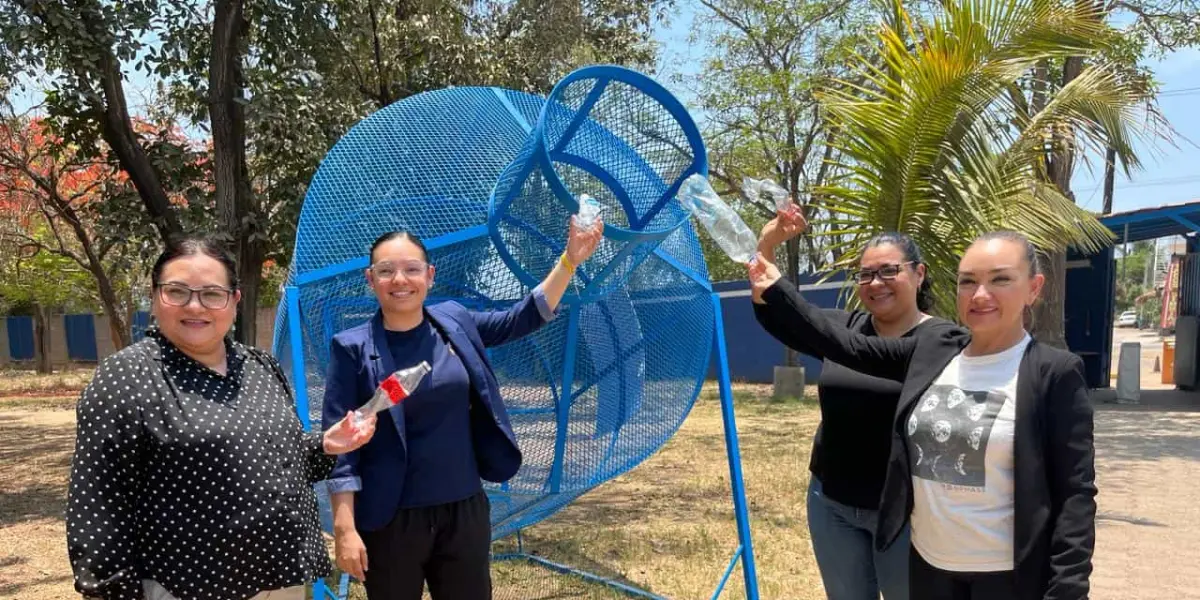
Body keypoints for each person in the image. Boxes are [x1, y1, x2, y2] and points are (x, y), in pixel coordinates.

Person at [749, 215, 1096, 600]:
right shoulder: (936, 352)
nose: (980, 294)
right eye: (968, 281)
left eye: (1000, 279)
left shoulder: (1042, 368)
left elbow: (1074, 494)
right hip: (924, 558)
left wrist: (1067, 588)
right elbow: (830, 338)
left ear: (1034, 288)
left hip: (991, 567)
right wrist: (769, 260)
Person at [66, 236, 377, 600]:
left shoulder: (260, 366)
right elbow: (97, 501)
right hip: (188, 587)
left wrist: (325, 444)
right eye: (177, 291)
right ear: (155, 297)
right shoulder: (128, 375)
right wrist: (115, 590)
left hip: (280, 579)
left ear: (234, 301)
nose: (195, 306)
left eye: (212, 294)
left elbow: (283, 461)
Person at [323, 217, 604, 599]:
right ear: (370, 279)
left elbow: (521, 317)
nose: (400, 280)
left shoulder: (453, 320)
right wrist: (345, 529)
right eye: (386, 271)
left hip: (464, 512)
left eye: (411, 269)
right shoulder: (351, 347)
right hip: (390, 520)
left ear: (430, 275)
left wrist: (569, 261)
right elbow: (342, 449)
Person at [754, 228, 956, 600]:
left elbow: (851, 349)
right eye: (865, 274)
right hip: (832, 502)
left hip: (906, 513)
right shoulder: (846, 326)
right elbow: (778, 316)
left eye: (888, 271)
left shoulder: (942, 341)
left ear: (919, 273)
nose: (875, 283)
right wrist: (766, 246)